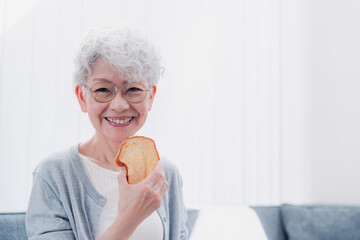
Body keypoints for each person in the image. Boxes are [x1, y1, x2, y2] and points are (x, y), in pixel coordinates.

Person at [26, 27, 188, 240]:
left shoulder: (166, 174)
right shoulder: (54, 174)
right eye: (103, 90)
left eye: (133, 90)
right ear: (82, 97)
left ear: (151, 97)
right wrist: (129, 218)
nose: (119, 105)